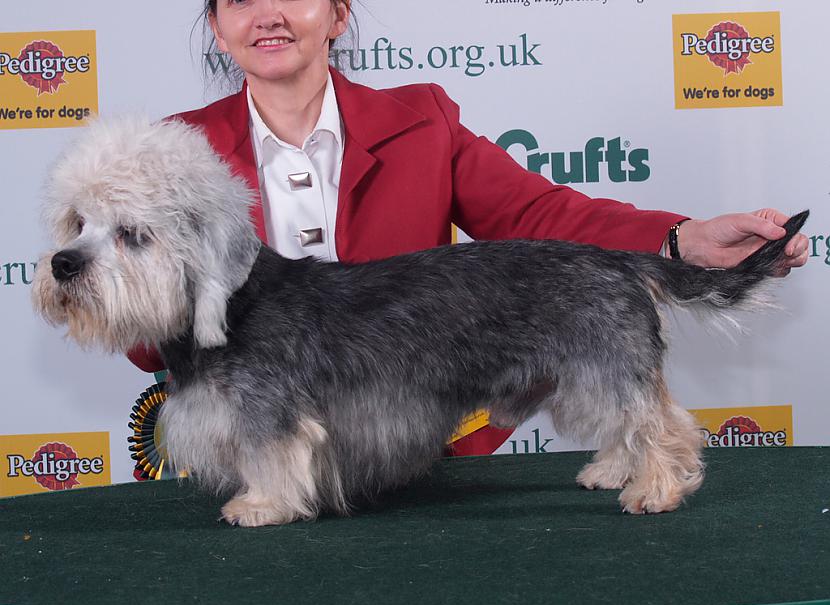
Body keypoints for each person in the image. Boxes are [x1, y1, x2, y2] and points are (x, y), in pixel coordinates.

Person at [128, 0, 809, 455]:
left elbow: (538, 215)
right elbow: (143, 330)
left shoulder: (420, 119)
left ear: (337, 14)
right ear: (217, 27)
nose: (270, 15)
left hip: (420, 448)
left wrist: (681, 240)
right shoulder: (174, 155)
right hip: (259, 455)